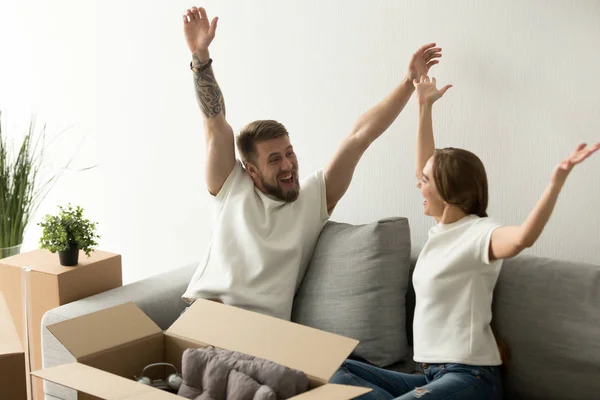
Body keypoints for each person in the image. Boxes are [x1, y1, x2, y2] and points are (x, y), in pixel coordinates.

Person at [329, 74, 600, 399]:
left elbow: (522, 239)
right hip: (429, 378)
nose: (418, 184)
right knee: (331, 369)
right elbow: (424, 165)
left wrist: (555, 182)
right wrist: (423, 105)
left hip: (470, 379)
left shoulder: (479, 234)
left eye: (425, 181)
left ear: (446, 190)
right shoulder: (441, 231)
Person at [179, 6, 444, 321]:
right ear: (250, 170)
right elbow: (215, 123)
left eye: (289, 152)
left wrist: (407, 83)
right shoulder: (230, 186)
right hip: (205, 319)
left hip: (261, 337)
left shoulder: (312, 200)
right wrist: (200, 57)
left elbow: (359, 137)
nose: (288, 165)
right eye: (274, 159)